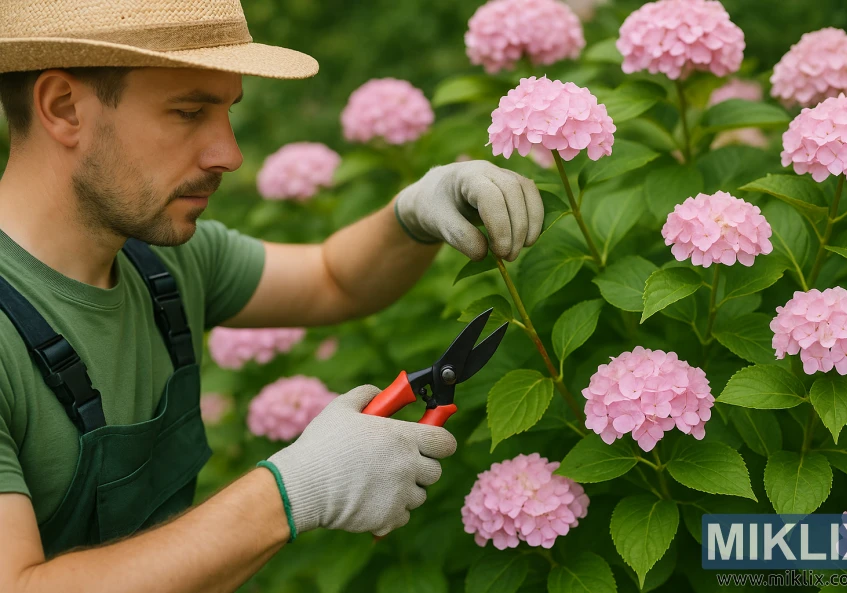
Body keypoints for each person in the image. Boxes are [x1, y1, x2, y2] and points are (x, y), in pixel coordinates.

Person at [0, 1, 546, 591]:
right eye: (188, 112)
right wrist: (293, 489)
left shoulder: (161, 262)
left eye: (228, 113)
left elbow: (333, 279)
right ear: (62, 108)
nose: (228, 154)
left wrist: (414, 215)